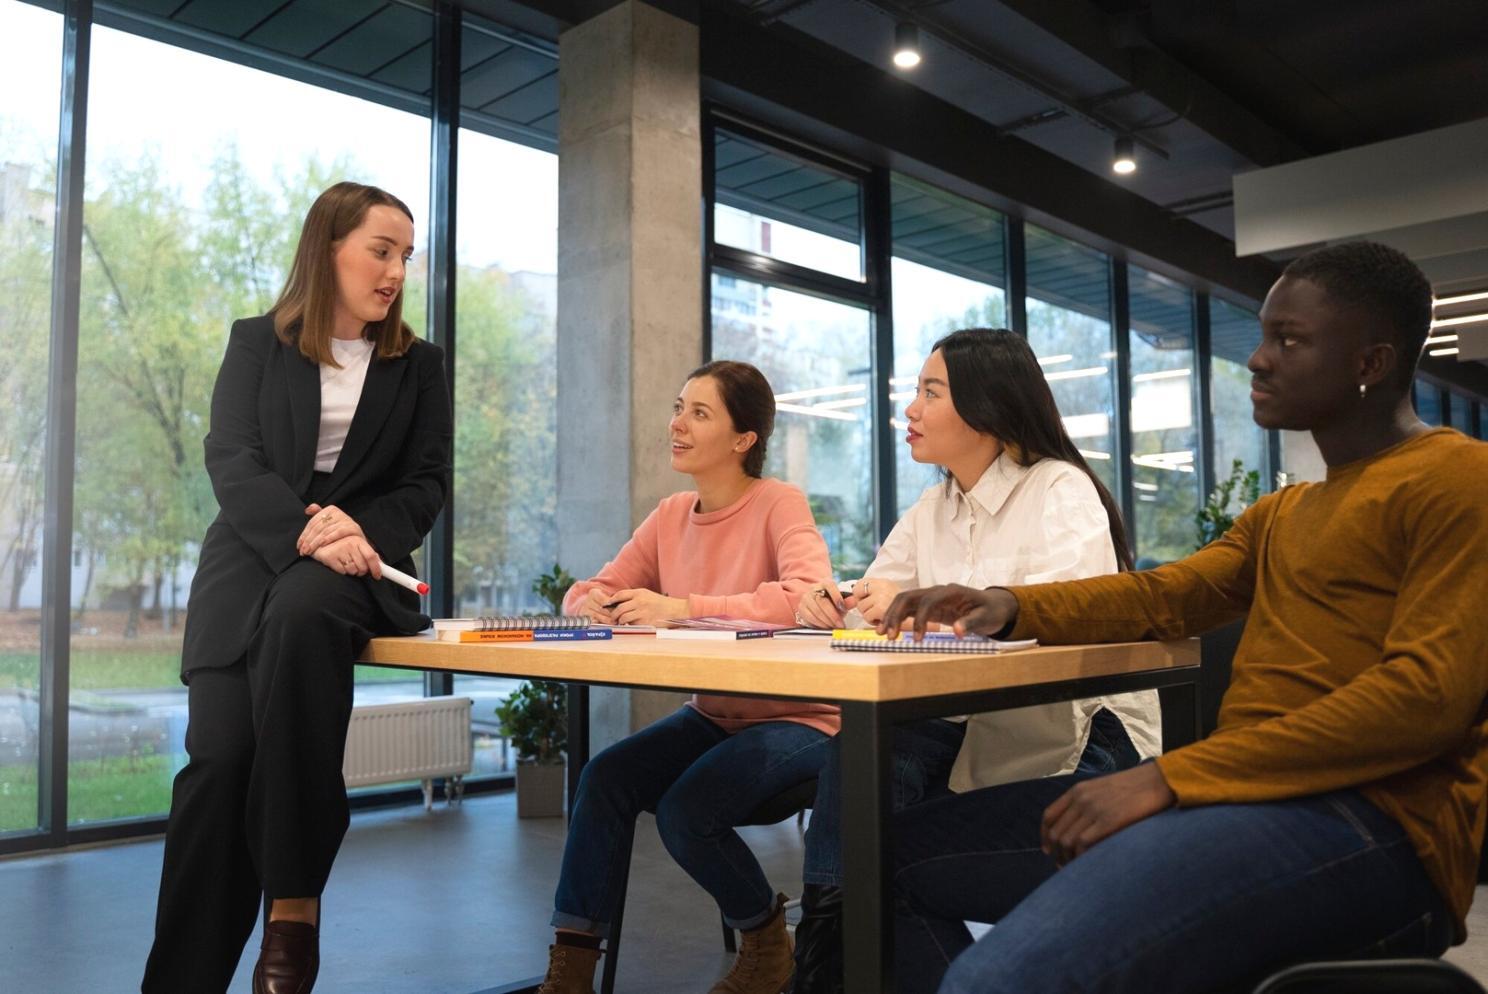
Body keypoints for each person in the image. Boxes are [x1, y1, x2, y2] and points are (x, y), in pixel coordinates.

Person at [878, 241, 1488, 994]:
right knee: (885, 861)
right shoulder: (1285, 511)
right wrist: (1008, 606)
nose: (1259, 360)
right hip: (1240, 800)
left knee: (996, 982)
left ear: (1370, 363)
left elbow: (1426, 700)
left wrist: (1172, 776)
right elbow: (1162, 597)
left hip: (1375, 825)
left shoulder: (1459, 479)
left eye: (1288, 340)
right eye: (1264, 336)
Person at [141, 182, 452, 994]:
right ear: (329, 249)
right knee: (218, 765)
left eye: (405, 257)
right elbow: (231, 457)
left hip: (350, 571)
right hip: (247, 561)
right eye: (380, 251)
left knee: (307, 611)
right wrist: (303, 530)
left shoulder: (420, 366)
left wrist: (350, 533)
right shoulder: (257, 343)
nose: (395, 272)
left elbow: (425, 485)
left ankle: (294, 903)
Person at [787, 329, 1161, 993]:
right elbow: (876, 601)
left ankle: (820, 965)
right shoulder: (936, 505)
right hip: (981, 731)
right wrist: (841, 601)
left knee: (877, 853)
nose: (910, 409)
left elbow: (1059, 615)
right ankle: (823, 960)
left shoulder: (1059, 490)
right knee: (868, 760)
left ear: (987, 407)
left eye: (930, 392)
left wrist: (911, 604)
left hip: (1084, 743)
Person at [535, 360, 835, 994]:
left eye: (699, 413)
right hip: (714, 714)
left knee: (685, 809)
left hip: (800, 718)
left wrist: (683, 607)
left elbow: (806, 597)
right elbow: (595, 586)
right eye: (678, 407)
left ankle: (763, 941)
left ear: (743, 438)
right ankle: (570, 970)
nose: (676, 424)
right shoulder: (671, 513)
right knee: (606, 777)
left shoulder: (779, 502)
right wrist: (587, 601)